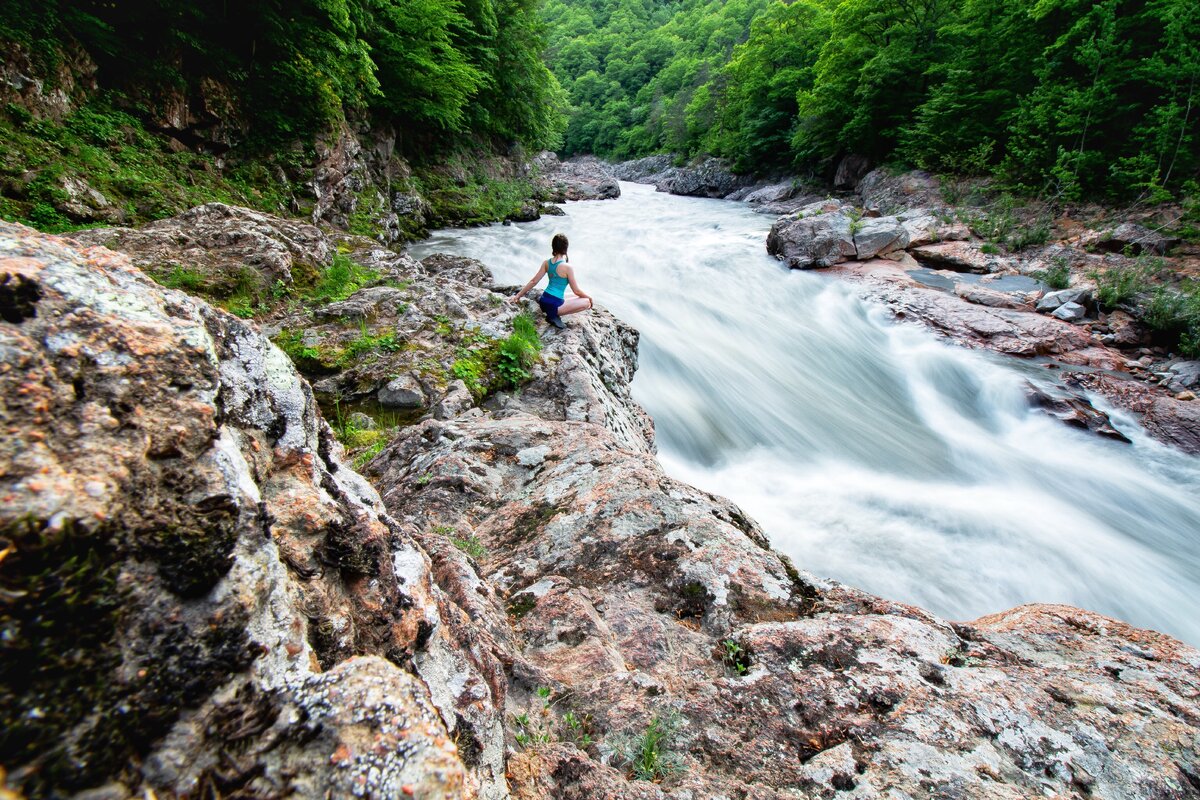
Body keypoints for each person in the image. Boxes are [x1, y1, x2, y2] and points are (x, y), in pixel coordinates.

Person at [510, 233, 593, 328]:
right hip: (554, 305)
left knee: (575, 296)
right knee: (586, 302)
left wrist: (518, 295)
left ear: (553, 247)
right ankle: (553, 316)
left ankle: (552, 313)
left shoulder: (546, 263)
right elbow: (577, 290)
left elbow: (534, 281)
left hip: (544, 300)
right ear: (565, 248)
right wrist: (589, 297)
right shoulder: (567, 267)